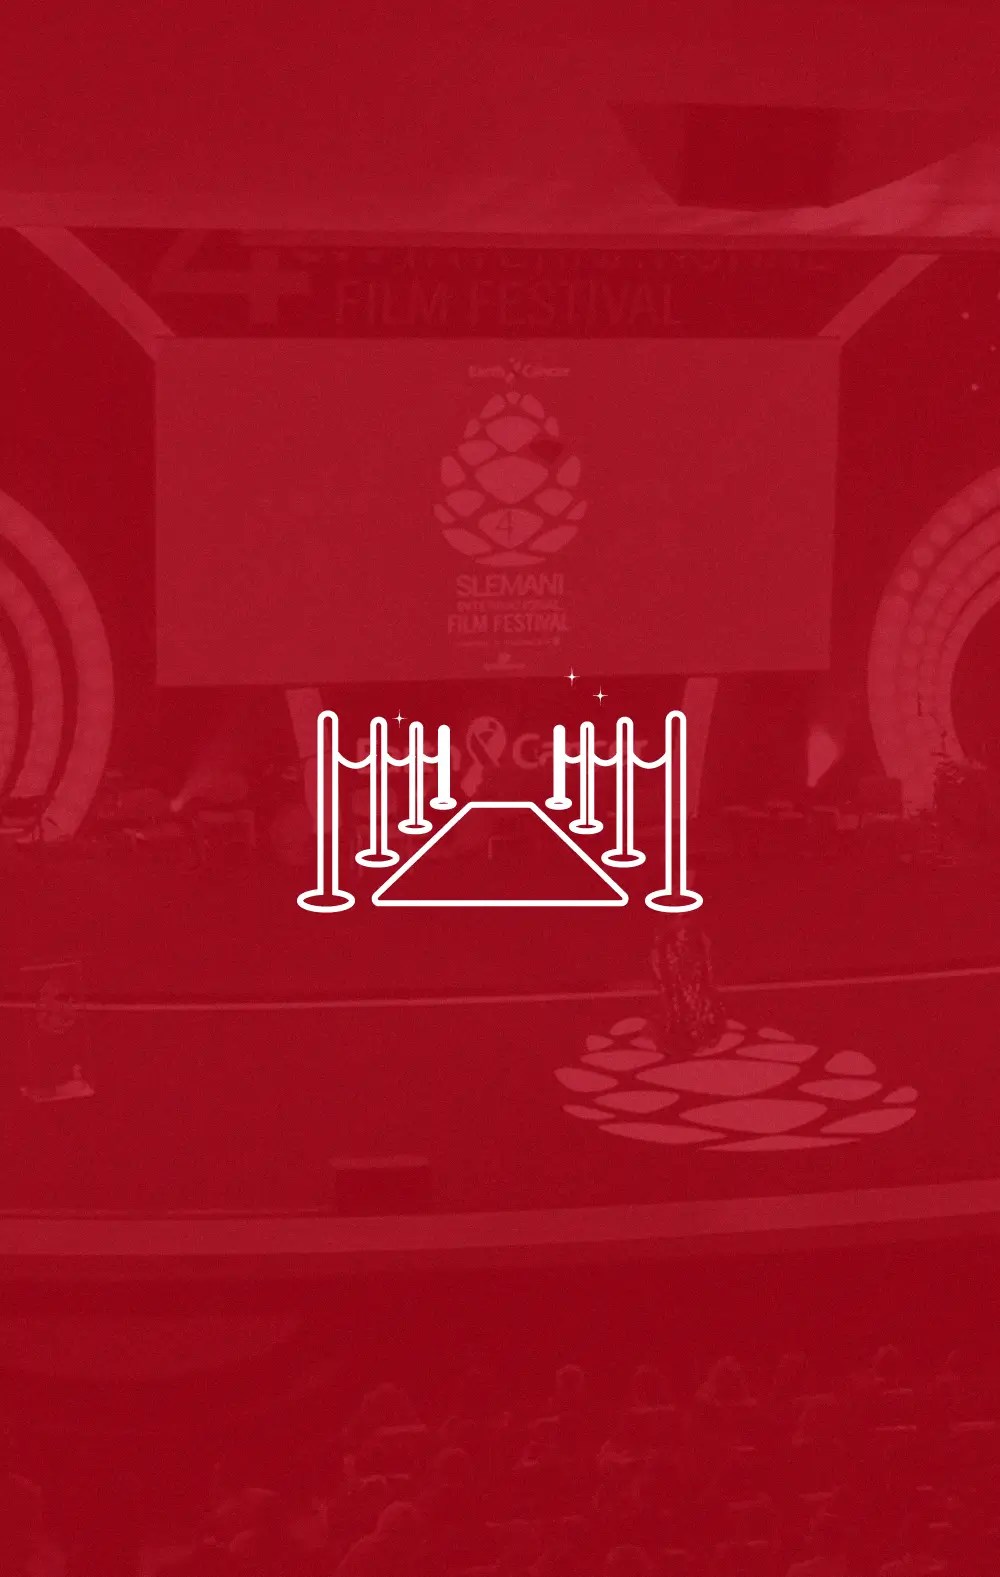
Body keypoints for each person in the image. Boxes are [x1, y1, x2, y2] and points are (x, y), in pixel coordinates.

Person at [650, 912, 726, 1057]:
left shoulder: (694, 940)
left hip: (690, 975)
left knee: (689, 998)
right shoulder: (668, 944)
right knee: (682, 998)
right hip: (680, 977)